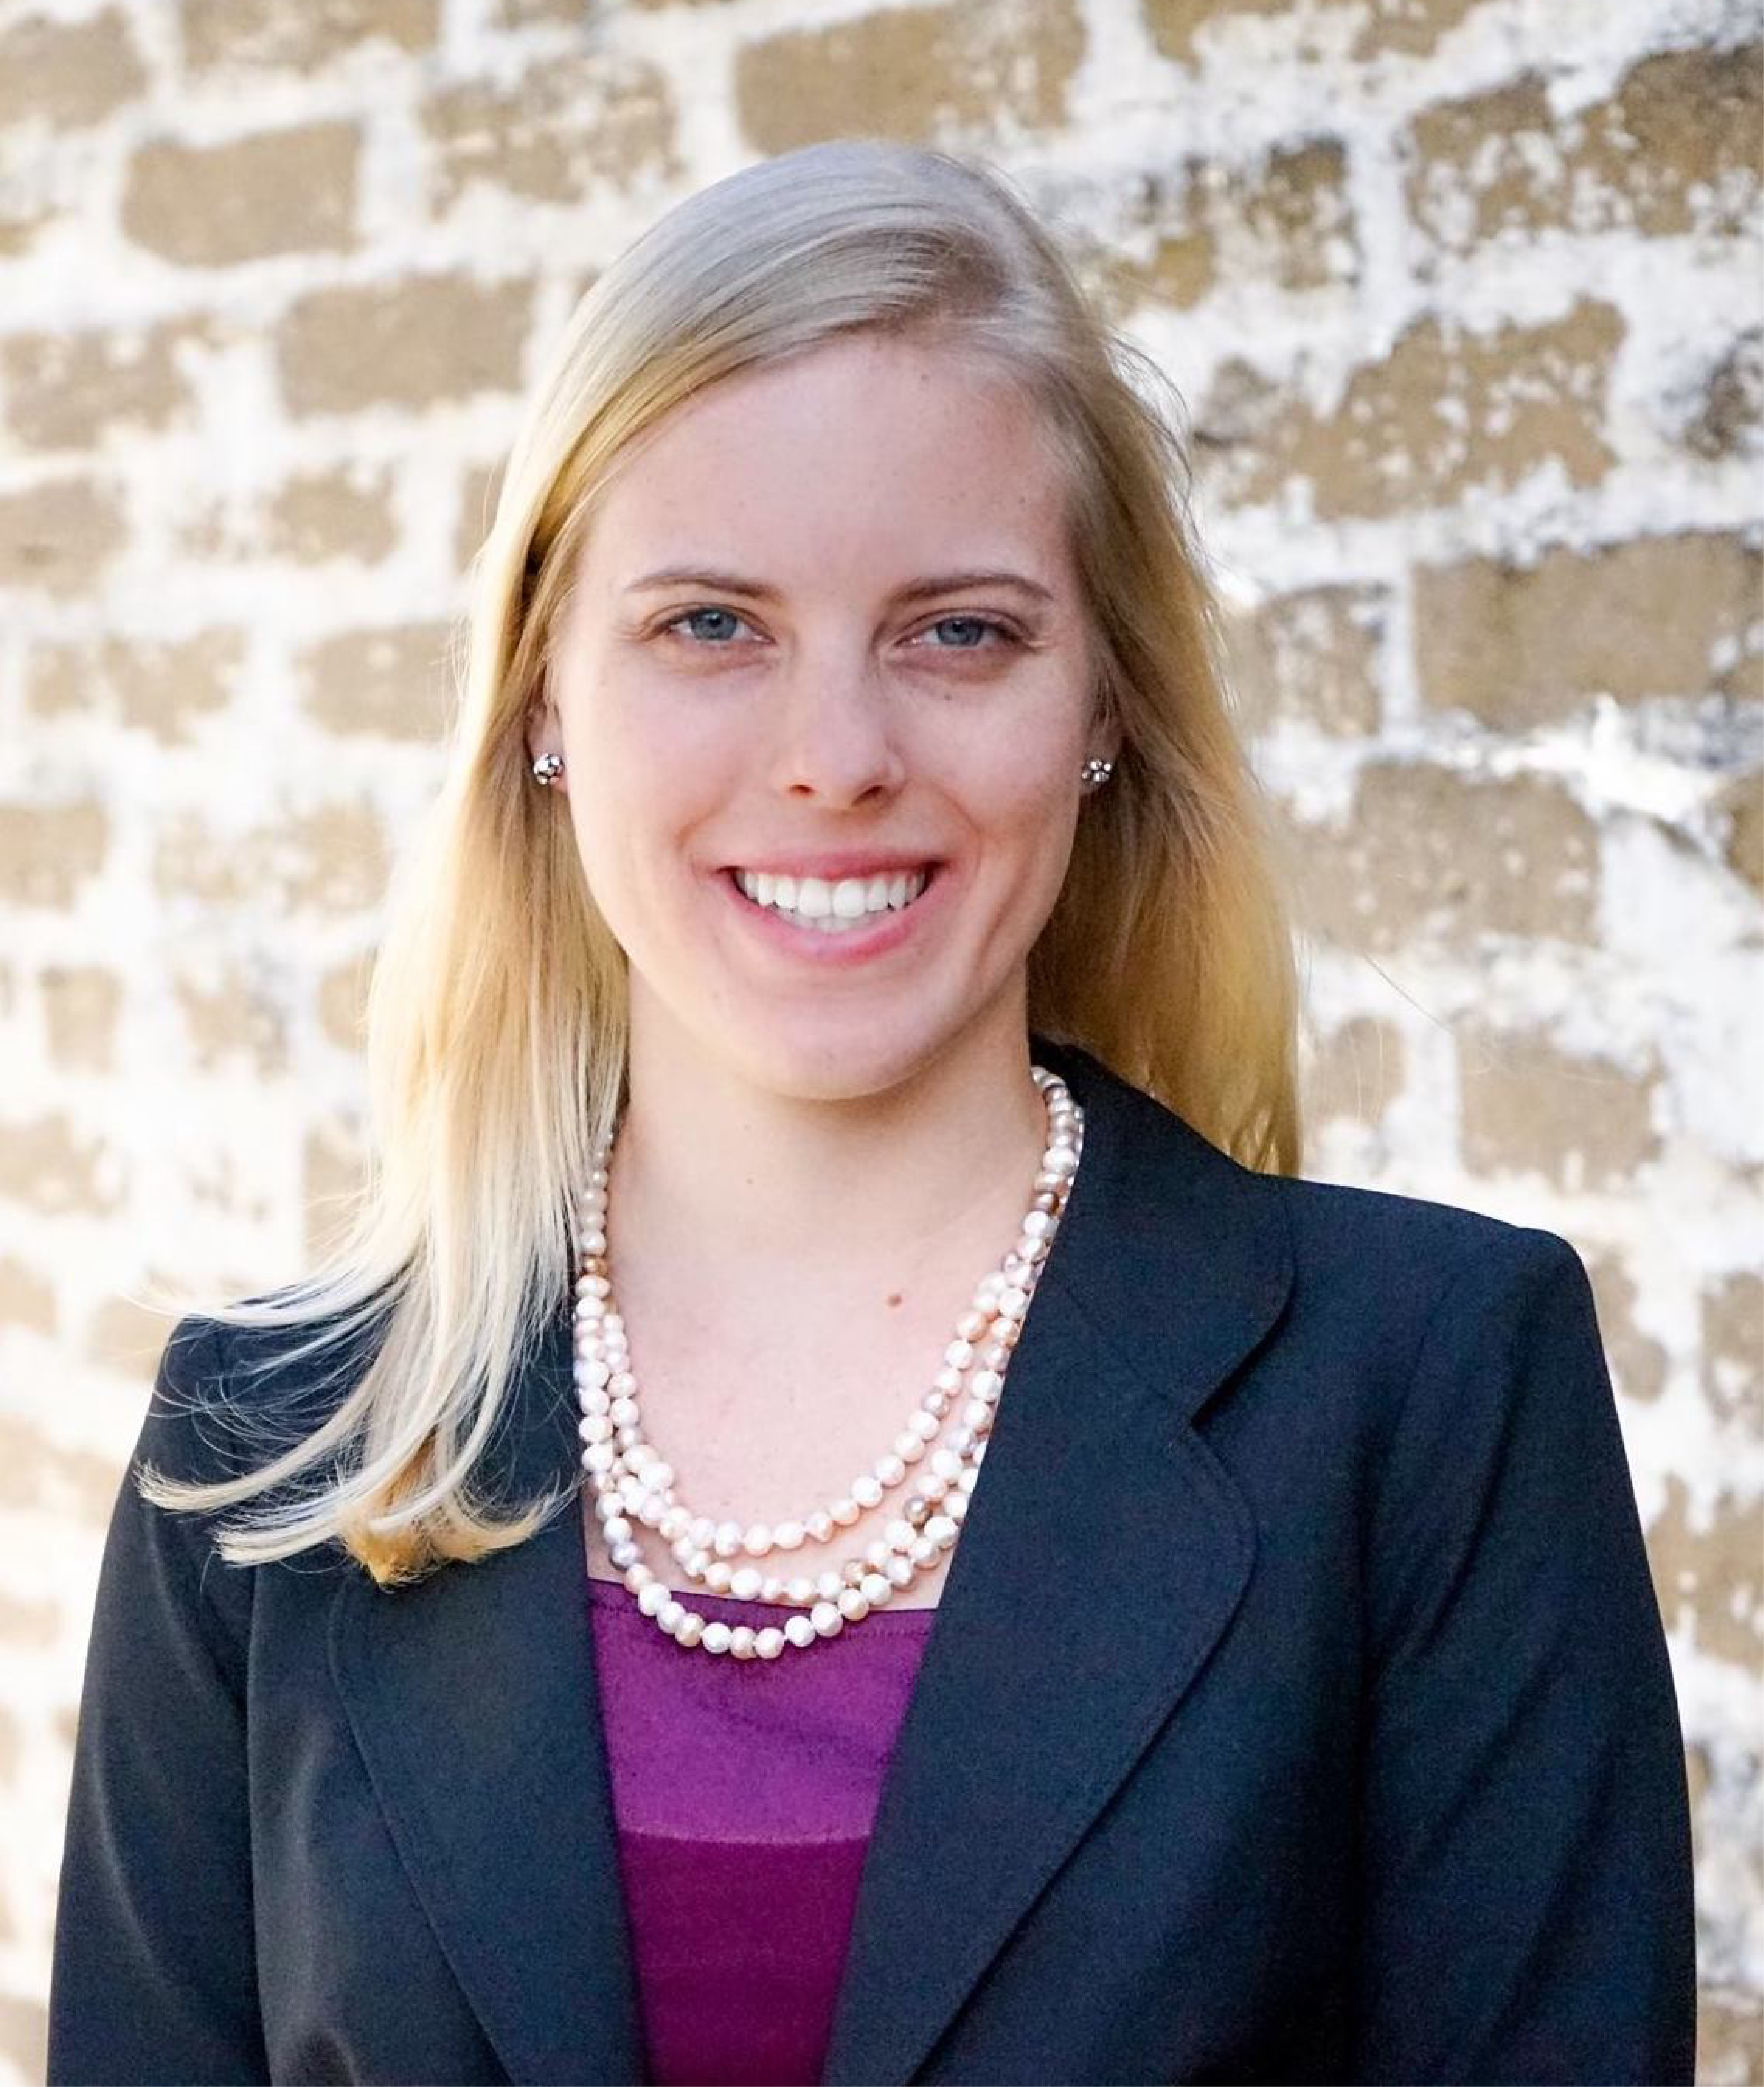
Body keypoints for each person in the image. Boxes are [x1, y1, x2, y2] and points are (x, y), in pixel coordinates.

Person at [47, 138, 1695, 2087]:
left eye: (960, 632)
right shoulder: (273, 1446)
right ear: (541, 704)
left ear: (1103, 707)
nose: (834, 759)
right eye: (710, 626)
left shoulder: (1420, 1389)